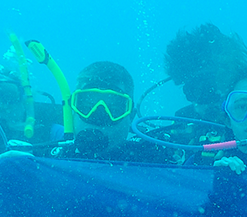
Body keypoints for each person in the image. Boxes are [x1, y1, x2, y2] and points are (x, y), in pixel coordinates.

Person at [43, 61, 175, 164]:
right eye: (88, 106)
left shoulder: (154, 159)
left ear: (131, 116)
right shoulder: (49, 158)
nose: (99, 116)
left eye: (114, 108)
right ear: (72, 111)